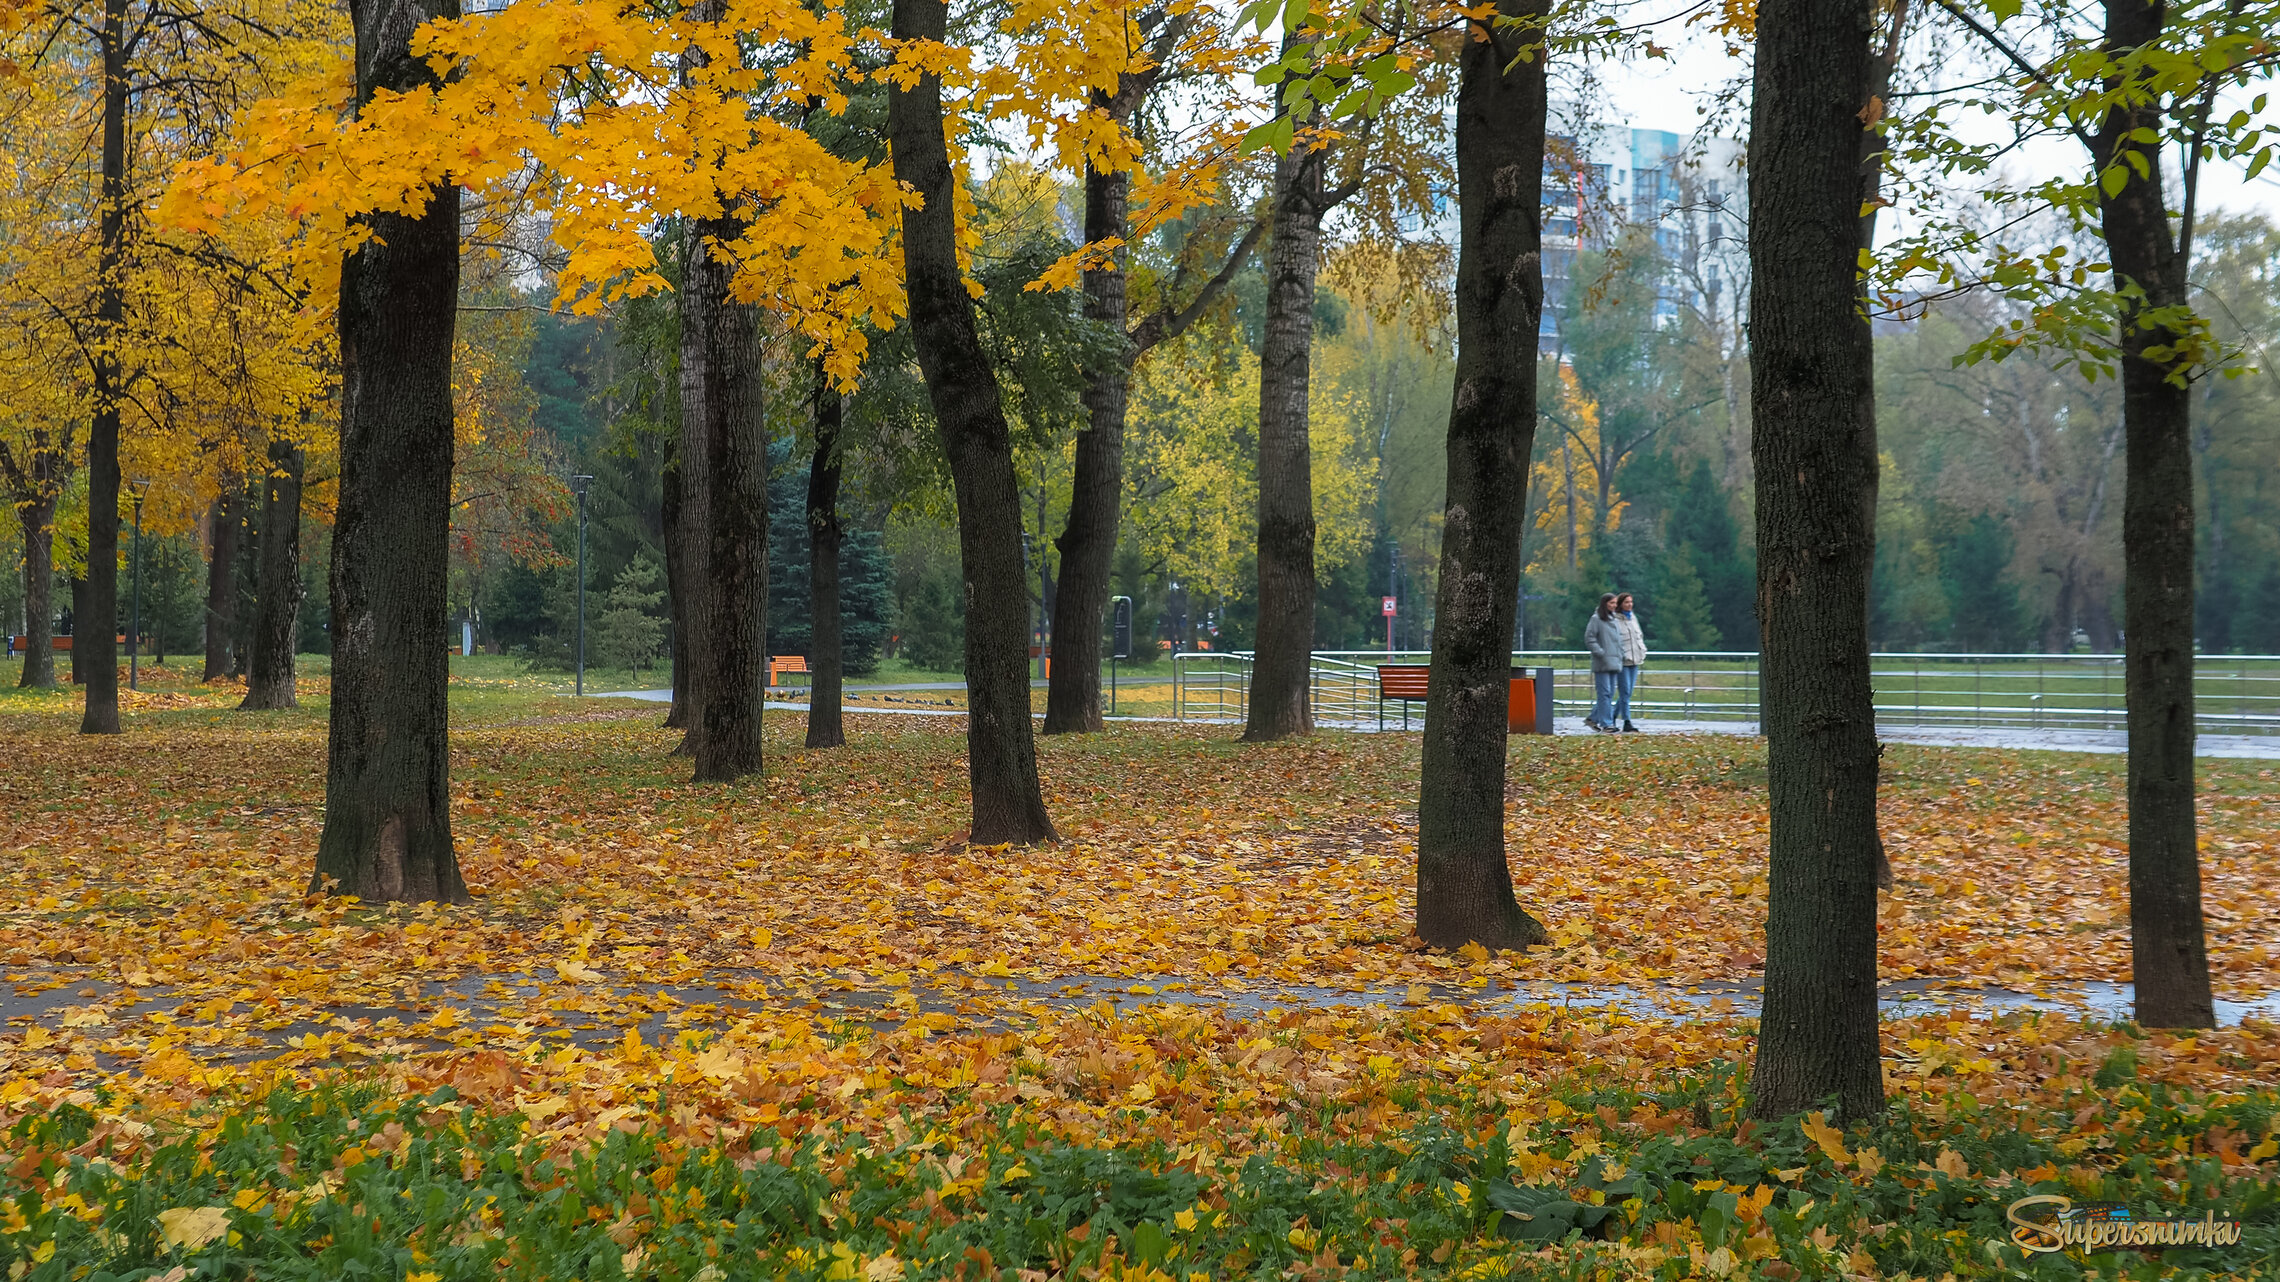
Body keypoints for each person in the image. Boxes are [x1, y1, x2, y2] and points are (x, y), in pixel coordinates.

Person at [1584, 593, 1623, 731]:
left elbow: (1617, 642)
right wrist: (1600, 652)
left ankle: (1593, 718)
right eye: (1611, 603)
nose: (1614, 606)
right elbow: (1589, 638)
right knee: (1604, 693)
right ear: (1604, 603)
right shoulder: (1596, 619)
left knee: (1609, 693)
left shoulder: (1614, 620)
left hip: (1614, 661)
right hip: (1602, 662)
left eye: (1615, 603)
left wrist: (1620, 655)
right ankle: (1607, 723)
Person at [1615, 592, 1646, 732]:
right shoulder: (1615, 620)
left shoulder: (1633, 618)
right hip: (1623, 661)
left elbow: (1638, 637)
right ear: (1620, 604)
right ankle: (1627, 721)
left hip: (1635, 660)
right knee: (1625, 691)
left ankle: (1611, 716)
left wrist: (1642, 651)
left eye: (1631, 602)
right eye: (1626, 602)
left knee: (1627, 693)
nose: (1630, 605)